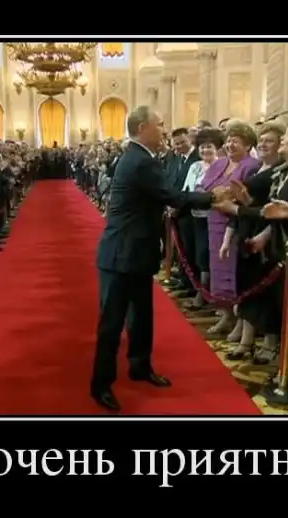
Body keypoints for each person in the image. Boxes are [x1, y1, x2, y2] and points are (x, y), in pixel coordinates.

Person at [91, 105, 228, 411]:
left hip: (137, 251)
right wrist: (213, 196)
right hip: (122, 254)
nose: (165, 129)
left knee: (141, 315)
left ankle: (140, 366)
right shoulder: (141, 161)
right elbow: (173, 196)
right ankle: (100, 384)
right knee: (112, 324)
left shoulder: (141, 157)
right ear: (143, 128)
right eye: (160, 123)